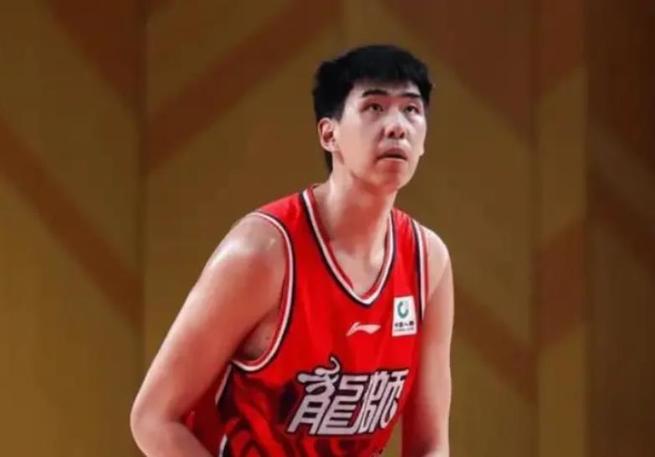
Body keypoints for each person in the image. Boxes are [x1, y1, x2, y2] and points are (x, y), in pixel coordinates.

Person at [130, 44, 454, 457]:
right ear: (329, 133)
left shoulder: (428, 261)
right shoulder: (263, 253)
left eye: (411, 110)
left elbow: (430, 443)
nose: (397, 126)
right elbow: (153, 418)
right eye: (374, 107)